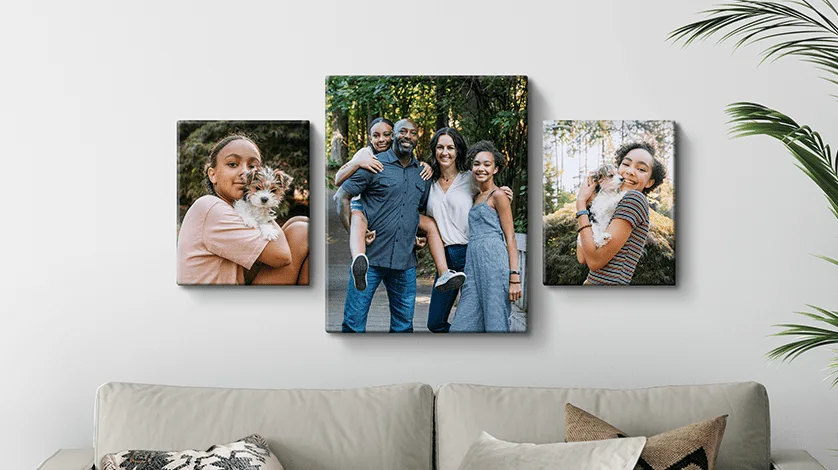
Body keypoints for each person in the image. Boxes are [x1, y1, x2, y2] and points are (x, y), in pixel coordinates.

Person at [333, 119, 460, 292]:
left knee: (430, 224)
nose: (382, 140)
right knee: (357, 218)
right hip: (361, 208)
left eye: (386, 135)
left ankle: (444, 272)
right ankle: (358, 259)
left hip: (403, 257)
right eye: (376, 136)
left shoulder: (420, 170)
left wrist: (412, 233)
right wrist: (357, 162)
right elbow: (338, 184)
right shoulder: (367, 156)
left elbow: (414, 207)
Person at [177, 134, 310, 285]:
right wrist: (264, 208)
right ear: (212, 175)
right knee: (302, 232)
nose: (246, 173)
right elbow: (282, 256)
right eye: (233, 164)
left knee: (298, 222)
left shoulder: (229, 209)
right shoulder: (211, 207)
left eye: (253, 167)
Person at [336, 119, 429, 332]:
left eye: (413, 133)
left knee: (404, 327)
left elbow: (418, 210)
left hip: (405, 262)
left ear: (418, 137)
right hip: (370, 260)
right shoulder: (373, 164)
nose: (407, 136)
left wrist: (416, 233)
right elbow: (341, 196)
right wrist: (354, 233)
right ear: (394, 135)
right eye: (402, 131)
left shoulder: (422, 173)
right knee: (353, 324)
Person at [449, 141, 522, 333]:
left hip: (494, 262)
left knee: (495, 319)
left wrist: (514, 277)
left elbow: (511, 237)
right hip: (473, 263)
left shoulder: (498, 195)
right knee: (462, 324)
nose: (481, 168)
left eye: (487, 164)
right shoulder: (475, 196)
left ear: (495, 169)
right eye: (476, 164)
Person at [575, 142, 665, 285]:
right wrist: (587, 206)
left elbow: (593, 261)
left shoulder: (634, 199)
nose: (630, 171)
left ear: (649, 182)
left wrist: (580, 202)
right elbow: (582, 257)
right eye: (626, 164)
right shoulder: (615, 207)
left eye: (641, 169)